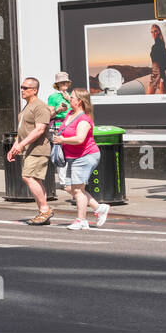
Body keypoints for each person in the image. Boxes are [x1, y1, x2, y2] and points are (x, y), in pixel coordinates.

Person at [57, 88, 110, 230]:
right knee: (69, 187)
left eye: (72, 97)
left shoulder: (84, 119)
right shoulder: (70, 113)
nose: (70, 99)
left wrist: (62, 139)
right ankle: (99, 208)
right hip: (72, 156)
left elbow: (80, 139)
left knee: (78, 190)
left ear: (79, 101)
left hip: (85, 156)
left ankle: (81, 220)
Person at [7, 76, 54, 225]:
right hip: (28, 148)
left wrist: (22, 145)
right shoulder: (27, 106)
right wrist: (15, 146)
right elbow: (23, 130)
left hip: (38, 149)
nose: (22, 90)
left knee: (28, 177)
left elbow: (40, 130)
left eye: (25, 88)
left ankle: (45, 210)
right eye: (21, 87)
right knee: (36, 180)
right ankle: (42, 211)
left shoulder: (39, 106)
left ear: (34, 90)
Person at [46, 72, 73, 197]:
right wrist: (58, 110)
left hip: (70, 125)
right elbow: (49, 114)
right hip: (58, 126)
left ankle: (70, 180)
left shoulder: (71, 96)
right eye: (62, 82)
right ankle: (64, 181)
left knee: (70, 152)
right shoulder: (53, 97)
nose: (65, 84)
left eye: (66, 82)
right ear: (57, 84)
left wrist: (69, 100)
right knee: (61, 153)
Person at [148, 24, 166, 95]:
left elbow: (163, 61)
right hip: (154, 72)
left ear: (159, 31)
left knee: (161, 95)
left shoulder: (160, 44)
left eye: (155, 31)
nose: (153, 33)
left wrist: (162, 78)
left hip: (159, 72)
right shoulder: (156, 45)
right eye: (152, 32)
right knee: (152, 94)